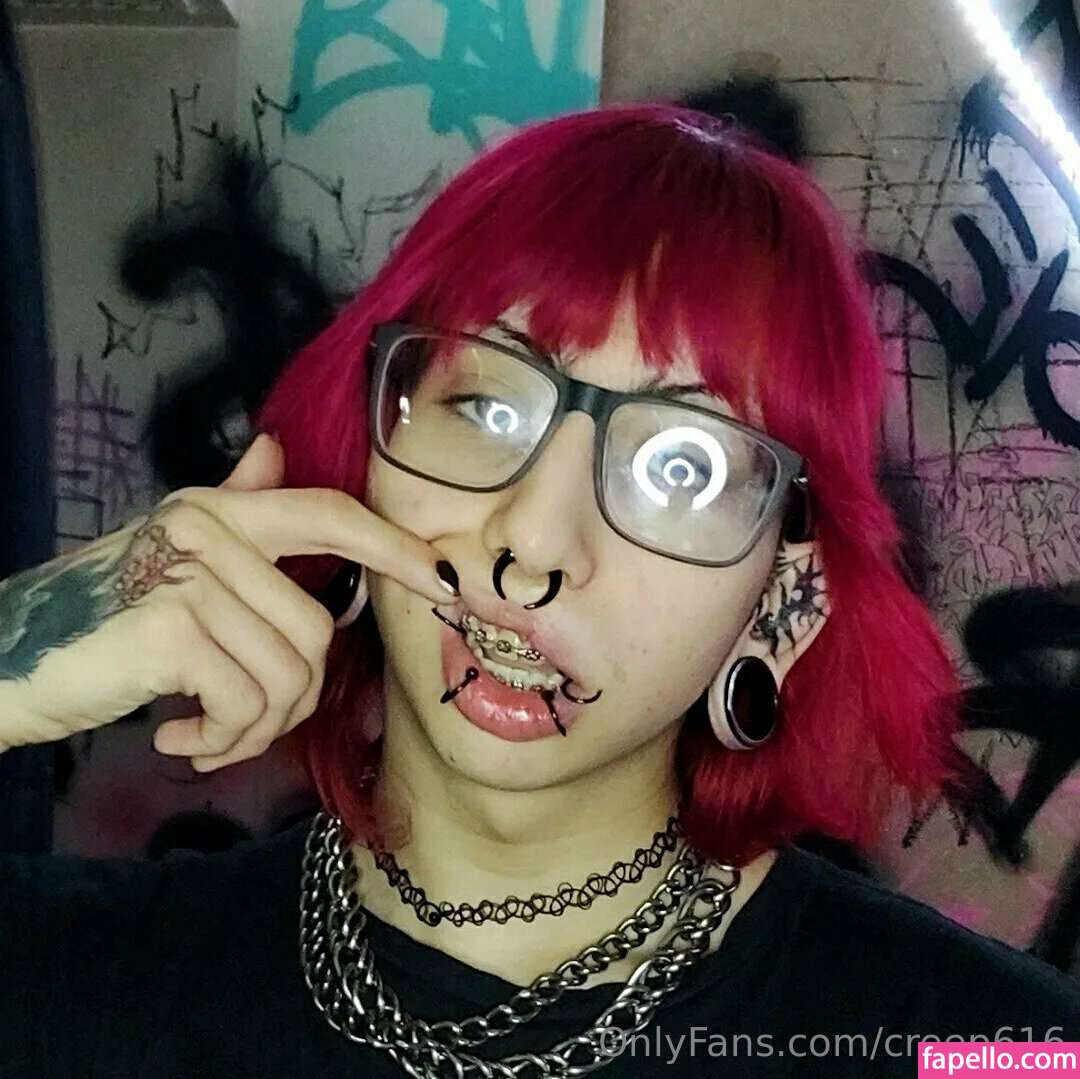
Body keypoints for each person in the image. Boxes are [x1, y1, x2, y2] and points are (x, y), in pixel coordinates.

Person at [0, 103, 1077, 1078]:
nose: (533, 542)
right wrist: (14, 654)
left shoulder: (986, 1045)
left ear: (783, 596)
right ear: (367, 452)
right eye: (486, 407)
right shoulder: (77, 985)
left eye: (681, 468)